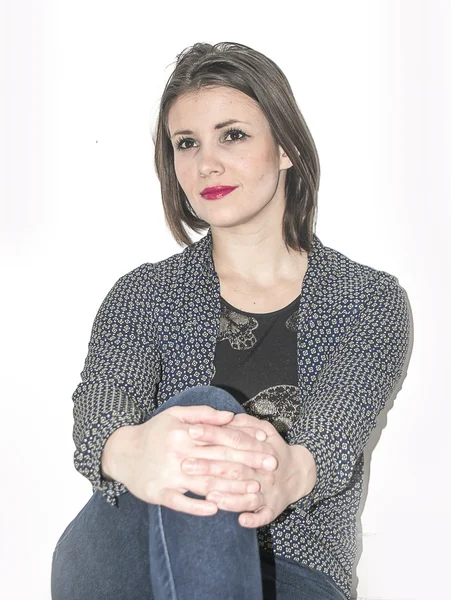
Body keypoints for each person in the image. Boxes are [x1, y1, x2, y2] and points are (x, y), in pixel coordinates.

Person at [51, 42, 410, 600]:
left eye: (232, 135)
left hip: (293, 572)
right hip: (130, 555)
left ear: (285, 146)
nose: (206, 163)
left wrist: (284, 473)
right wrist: (135, 452)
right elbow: (101, 411)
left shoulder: (366, 300)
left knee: (210, 430)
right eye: (186, 143)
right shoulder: (144, 293)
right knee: (208, 415)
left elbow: (330, 442)